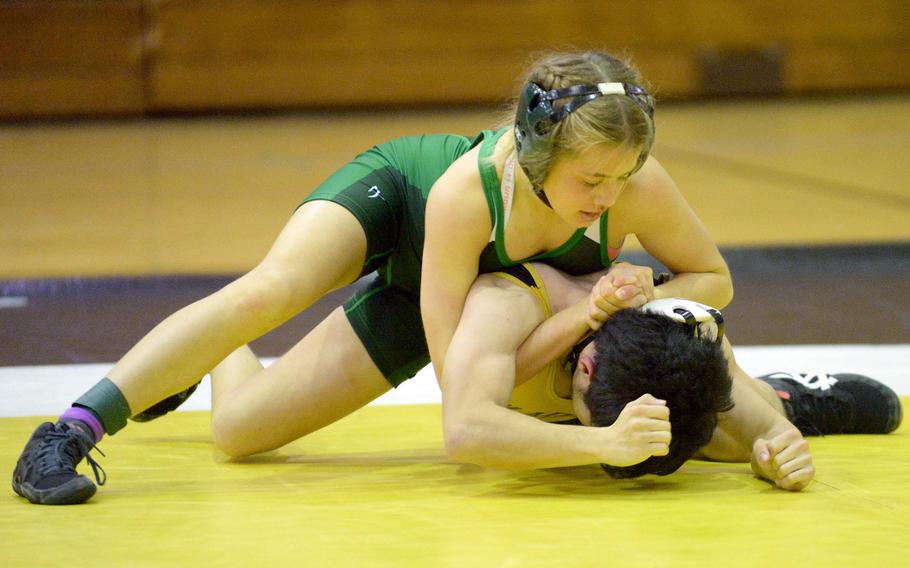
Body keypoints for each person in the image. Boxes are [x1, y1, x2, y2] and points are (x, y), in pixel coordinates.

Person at [12, 50, 735, 505]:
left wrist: (647, 295)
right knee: (273, 291)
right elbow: (464, 402)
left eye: (622, 176)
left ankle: (215, 355)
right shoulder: (465, 194)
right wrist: (588, 316)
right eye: (592, 178)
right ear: (538, 154)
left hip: (457, 301)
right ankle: (70, 430)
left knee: (237, 434)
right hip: (405, 206)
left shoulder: (635, 186)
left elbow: (712, 279)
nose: (609, 197)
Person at [439, 262, 903, 490]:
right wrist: (602, 442)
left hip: (665, 353)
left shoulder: (677, 335)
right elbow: (464, 430)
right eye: (590, 416)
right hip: (406, 294)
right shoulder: (509, 305)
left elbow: (766, 435)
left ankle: (787, 395)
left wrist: (775, 451)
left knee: (720, 440)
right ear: (587, 364)